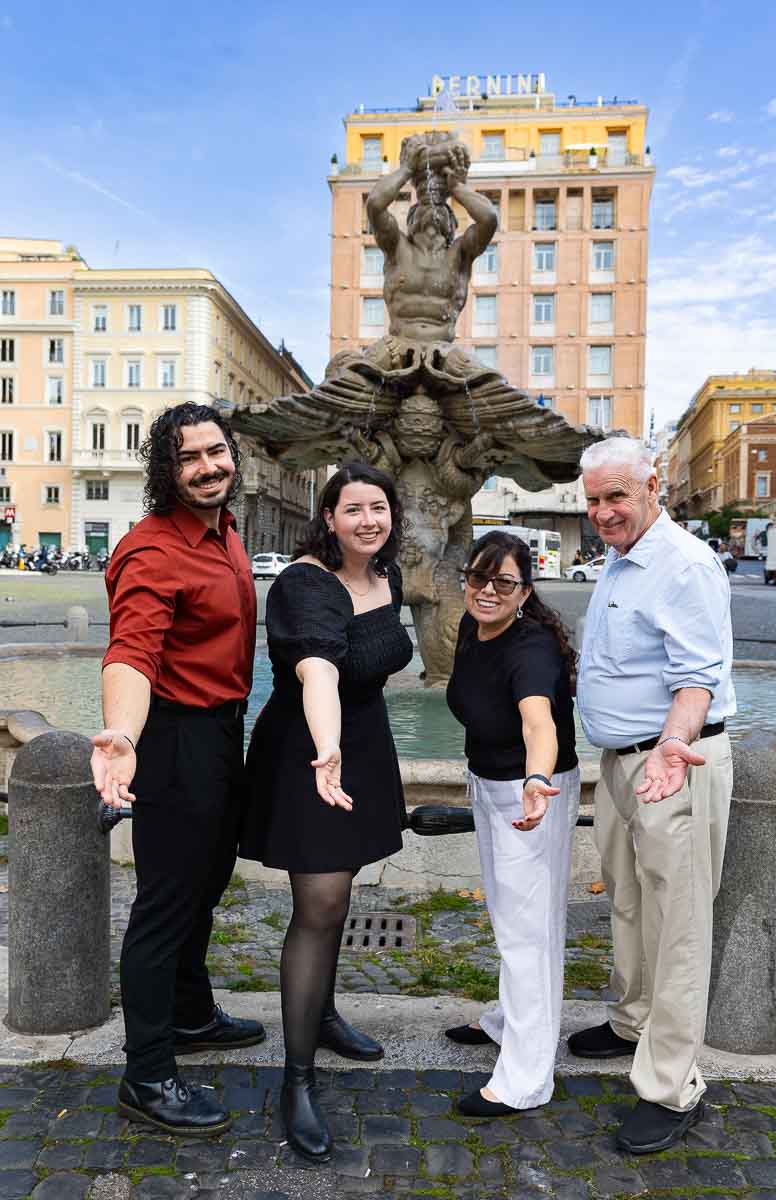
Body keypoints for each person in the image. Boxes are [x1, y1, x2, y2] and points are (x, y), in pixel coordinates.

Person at [90, 403, 264, 1137]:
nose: (207, 467)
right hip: (172, 741)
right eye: (188, 457)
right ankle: (148, 1075)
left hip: (222, 736)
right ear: (166, 469)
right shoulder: (153, 549)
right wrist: (123, 735)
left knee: (204, 888)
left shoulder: (224, 531)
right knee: (165, 906)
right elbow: (132, 649)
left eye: (215, 452)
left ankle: (190, 1015)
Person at [239, 462, 413, 1163]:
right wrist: (328, 747)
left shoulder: (387, 575)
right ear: (329, 517)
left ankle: (326, 1015)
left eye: (379, 507)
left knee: (340, 901)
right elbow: (317, 669)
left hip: (362, 745)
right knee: (319, 905)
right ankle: (298, 1079)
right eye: (353, 510)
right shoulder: (303, 583)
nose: (368, 520)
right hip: (310, 749)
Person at [570, 437, 735, 1155]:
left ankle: (672, 1085)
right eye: (594, 501)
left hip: (674, 759)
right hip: (623, 761)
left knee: (679, 925)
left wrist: (672, 746)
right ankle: (634, 1020)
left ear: (653, 487)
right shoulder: (620, 555)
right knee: (631, 902)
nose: (604, 513)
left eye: (616, 497)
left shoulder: (684, 564)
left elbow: (697, 676)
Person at [443, 531, 580, 1117]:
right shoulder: (473, 629)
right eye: (478, 578)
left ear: (525, 590)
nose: (487, 591)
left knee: (529, 932)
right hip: (490, 786)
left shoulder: (531, 649)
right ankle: (506, 1021)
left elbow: (537, 723)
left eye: (503, 582)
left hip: (532, 795)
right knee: (510, 916)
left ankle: (526, 1079)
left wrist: (535, 781)